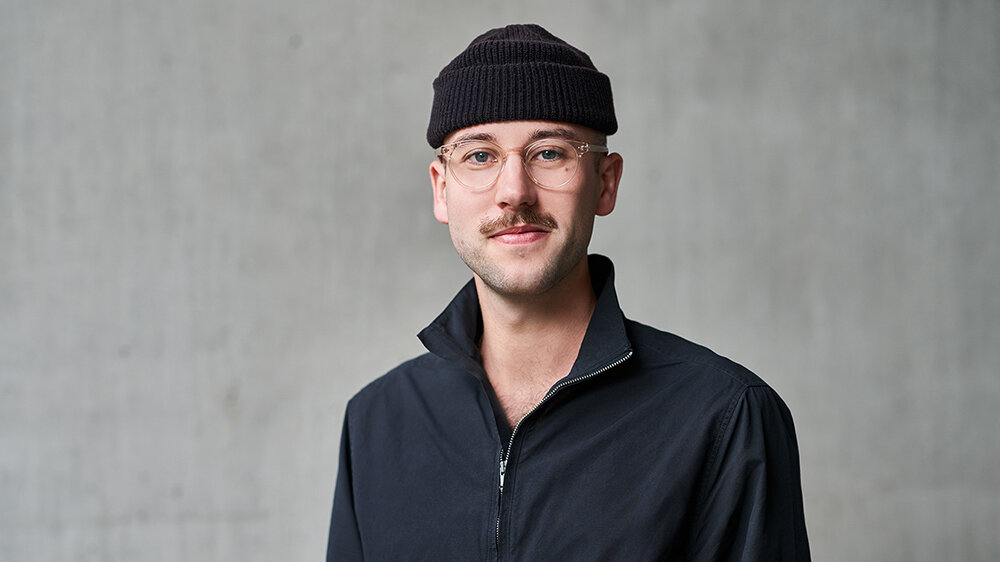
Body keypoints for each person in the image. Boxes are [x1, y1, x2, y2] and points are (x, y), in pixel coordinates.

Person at [327, 23, 810, 561]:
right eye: (479, 156)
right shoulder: (377, 422)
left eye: (550, 153)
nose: (514, 192)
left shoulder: (724, 417)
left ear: (605, 182)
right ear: (442, 190)